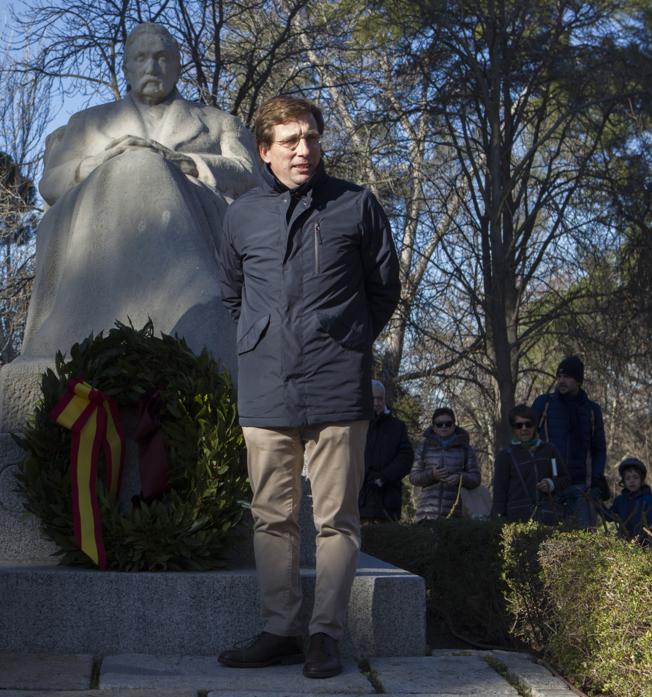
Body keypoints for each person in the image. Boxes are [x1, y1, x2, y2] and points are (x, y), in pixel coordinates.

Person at [216, 95, 400, 679]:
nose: (304, 149)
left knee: (337, 520)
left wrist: (345, 336)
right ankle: (279, 630)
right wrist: (262, 337)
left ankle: (324, 635)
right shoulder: (240, 214)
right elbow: (232, 294)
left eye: (312, 138)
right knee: (271, 517)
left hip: (336, 384)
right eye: (290, 140)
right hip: (266, 386)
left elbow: (383, 289)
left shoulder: (356, 205)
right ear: (264, 151)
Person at [16, 22, 258, 374]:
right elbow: (51, 184)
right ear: (127, 67)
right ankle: (81, 324)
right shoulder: (87, 123)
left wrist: (182, 163)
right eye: (141, 58)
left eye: (162, 58)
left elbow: (250, 176)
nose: (151, 67)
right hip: (100, 237)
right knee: (133, 165)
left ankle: (200, 315)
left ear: (178, 66)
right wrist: (101, 163)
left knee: (145, 165)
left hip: (196, 223)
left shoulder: (219, 123)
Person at [531, 355, 607, 528]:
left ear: (578, 380)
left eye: (567, 377)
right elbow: (527, 438)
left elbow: (599, 449)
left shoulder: (592, 411)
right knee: (548, 542)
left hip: (582, 487)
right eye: (559, 376)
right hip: (550, 487)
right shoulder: (544, 404)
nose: (561, 381)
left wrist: (595, 480)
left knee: (585, 542)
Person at [491, 405, 569, 525]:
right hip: (518, 522)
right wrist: (497, 522)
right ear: (513, 428)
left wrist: (552, 483)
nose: (524, 428)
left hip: (549, 518)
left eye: (528, 424)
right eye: (519, 425)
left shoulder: (549, 450)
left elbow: (565, 480)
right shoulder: (505, 456)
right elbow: (500, 494)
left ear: (535, 425)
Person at [409, 408, 481, 522]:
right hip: (426, 514)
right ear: (433, 426)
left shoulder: (465, 448)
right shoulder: (424, 447)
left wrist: (460, 478)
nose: (444, 427)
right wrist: (432, 475)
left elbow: (476, 478)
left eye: (448, 424)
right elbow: (413, 477)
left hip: (456, 515)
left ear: (454, 425)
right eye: (439, 424)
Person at [361, 380, 414, 523]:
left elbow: (406, 457)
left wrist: (384, 476)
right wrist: (367, 474)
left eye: (380, 398)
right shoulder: (357, 425)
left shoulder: (397, 427)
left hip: (388, 501)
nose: (376, 402)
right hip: (359, 498)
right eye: (372, 398)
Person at [606, 457, 652, 547]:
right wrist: (598, 502)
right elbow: (609, 516)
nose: (632, 481)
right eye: (628, 478)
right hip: (623, 546)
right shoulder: (619, 501)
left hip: (643, 547)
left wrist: (648, 546)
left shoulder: (648, 501)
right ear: (623, 481)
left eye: (635, 477)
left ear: (641, 480)